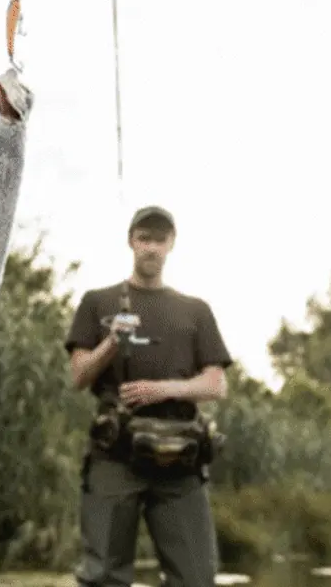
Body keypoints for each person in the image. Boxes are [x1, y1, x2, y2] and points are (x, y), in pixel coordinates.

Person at [64, 205, 233, 587]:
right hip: (115, 455)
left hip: (181, 459)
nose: (151, 247)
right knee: (103, 575)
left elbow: (216, 384)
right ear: (131, 242)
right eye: (144, 238)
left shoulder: (194, 310)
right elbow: (77, 376)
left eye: (159, 239)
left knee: (197, 577)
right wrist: (111, 343)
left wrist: (163, 389)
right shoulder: (98, 302)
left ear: (171, 244)